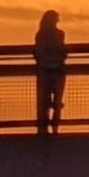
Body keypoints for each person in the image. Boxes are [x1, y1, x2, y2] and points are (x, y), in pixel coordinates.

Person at [32, 10, 67, 138]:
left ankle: (43, 129)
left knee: (44, 102)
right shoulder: (60, 34)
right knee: (57, 102)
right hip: (57, 71)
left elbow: (38, 52)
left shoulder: (40, 35)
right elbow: (62, 51)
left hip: (44, 71)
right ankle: (55, 128)